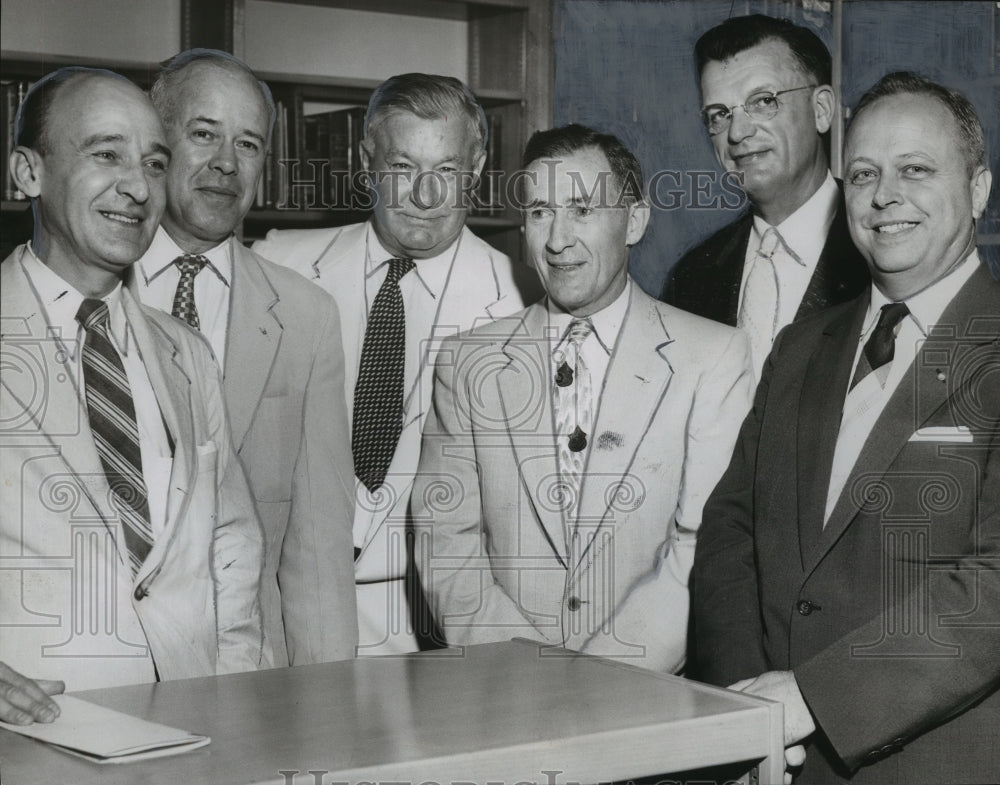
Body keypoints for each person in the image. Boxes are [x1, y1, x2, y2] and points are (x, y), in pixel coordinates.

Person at [691, 73, 999, 783]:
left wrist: (811, 698)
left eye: (915, 170)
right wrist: (745, 707)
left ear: (979, 189)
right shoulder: (801, 347)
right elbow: (729, 529)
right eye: (863, 174)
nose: (885, 196)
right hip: (773, 757)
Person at [412, 124, 754, 671]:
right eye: (541, 211)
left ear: (634, 221)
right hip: (506, 694)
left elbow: (702, 548)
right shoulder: (466, 362)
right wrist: (532, 679)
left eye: (582, 210)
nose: (557, 239)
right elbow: (445, 542)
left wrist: (601, 686)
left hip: (648, 695)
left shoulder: (712, 358)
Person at [0, 67, 267, 723]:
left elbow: (230, 546)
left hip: (193, 726)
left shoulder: (187, 354)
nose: (137, 186)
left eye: (153, 161)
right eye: (106, 154)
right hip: (35, 735)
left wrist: (232, 699)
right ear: (28, 173)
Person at [254, 73, 528, 654]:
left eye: (447, 172)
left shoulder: (523, 298)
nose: (426, 197)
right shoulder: (279, 267)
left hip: (435, 618)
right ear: (366, 163)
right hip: (281, 606)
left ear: (476, 171)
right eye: (403, 168)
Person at [129, 50, 357, 667]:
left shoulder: (306, 315)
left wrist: (329, 707)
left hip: (251, 672)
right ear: (155, 143)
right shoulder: (87, 297)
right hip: (104, 665)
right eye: (203, 134)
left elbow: (318, 549)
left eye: (249, 144)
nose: (226, 163)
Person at [662, 14, 869, 377]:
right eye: (720, 114)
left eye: (762, 101)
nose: (738, 132)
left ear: (821, 110)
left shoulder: (879, 256)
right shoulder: (694, 276)